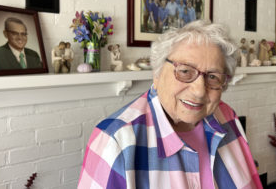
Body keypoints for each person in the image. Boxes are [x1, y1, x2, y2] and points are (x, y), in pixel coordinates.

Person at [77, 21, 262, 189]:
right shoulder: (115, 140)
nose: (199, 91)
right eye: (184, 71)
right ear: (156, 74)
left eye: (212, 76)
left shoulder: (226, 116)